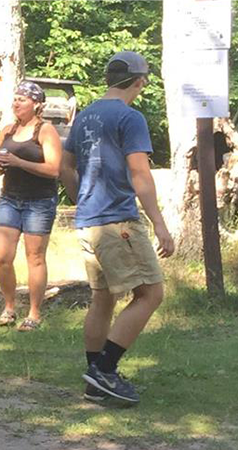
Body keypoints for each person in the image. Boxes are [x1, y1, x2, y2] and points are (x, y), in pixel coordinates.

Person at [59, 51, 174, 407]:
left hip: (88, 221)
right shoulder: (130, 117)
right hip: (118, 221)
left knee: (104, 298)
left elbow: (64, 165)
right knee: (150, 294)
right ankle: (104, 370)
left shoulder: (86, 116)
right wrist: (159, 224)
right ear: (139, 82)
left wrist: (82, 196)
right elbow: (139, 173)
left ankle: (96, 381)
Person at [0, 81, 64, 332]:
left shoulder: (45, 131)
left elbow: (54, 169)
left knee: (34, 257)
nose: (16, 103)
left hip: (39, 201)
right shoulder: (7, 130)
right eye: (15, 99)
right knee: (2, 257)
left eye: (22, 99)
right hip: (10, 198)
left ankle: (34, 313)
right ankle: (9, 307)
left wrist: (19, 162)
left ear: (36, 104)